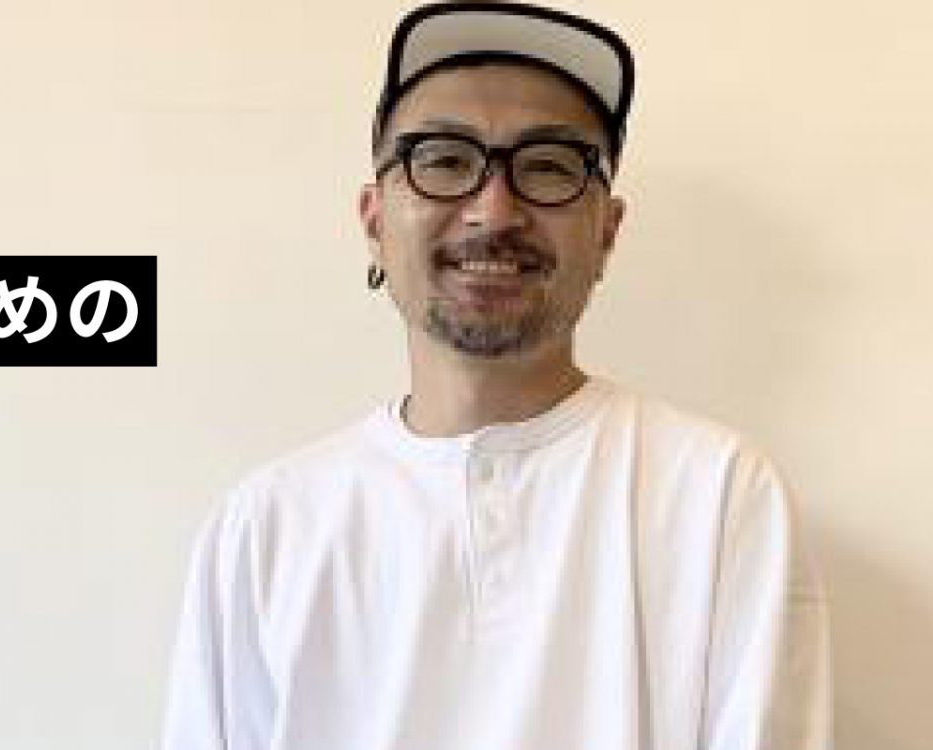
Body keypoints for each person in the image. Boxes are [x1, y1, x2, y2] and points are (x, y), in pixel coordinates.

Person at [159, 3, 831, 749]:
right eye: (444, 160)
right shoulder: (265, 529)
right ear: (374, 221)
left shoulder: (720, 495)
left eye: (547, 167)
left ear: (607, 232)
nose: (494, 210)